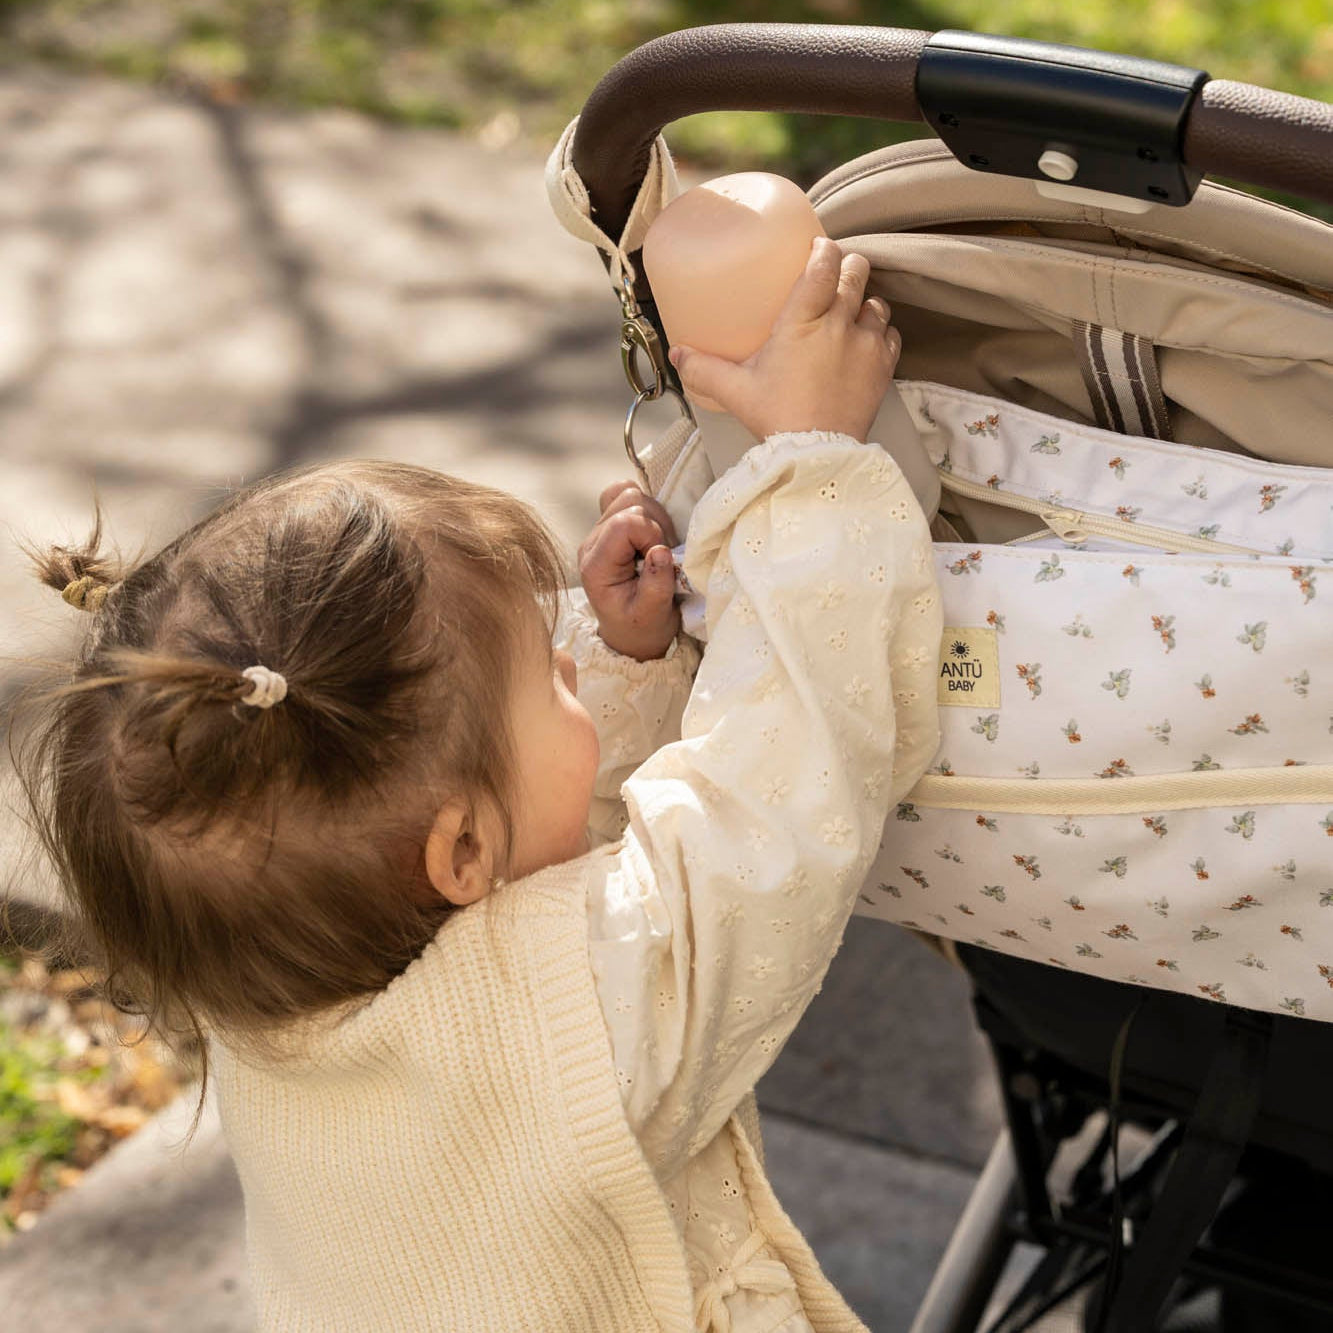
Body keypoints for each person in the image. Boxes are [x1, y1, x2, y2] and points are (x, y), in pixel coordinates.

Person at [15, 236, 941, 1332]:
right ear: (454, 856)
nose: (568, 665)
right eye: (551, 677)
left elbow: (542, 867)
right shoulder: (591, 1016)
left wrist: (623, 666)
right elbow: (778, 786)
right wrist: (812, 460)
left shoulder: (269, 990)